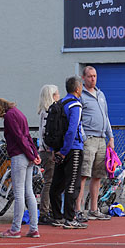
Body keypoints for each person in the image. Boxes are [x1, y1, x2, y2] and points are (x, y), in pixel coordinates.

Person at [0, 97, 40, 238]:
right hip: (28, 155)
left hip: (19, 156)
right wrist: (34, 154)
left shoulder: (9, 117)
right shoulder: (18, 112)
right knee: (29, 192)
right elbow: (26, 135)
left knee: (19, 193)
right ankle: (34, 228)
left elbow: (18, 137)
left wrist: (30, 154)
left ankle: (16, 228)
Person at [77, 66, 114, 221]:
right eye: (90, 76)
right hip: (89, 139)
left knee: (98, 176)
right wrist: (84, 137)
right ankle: (78, 210)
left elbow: (106, 116)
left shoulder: (100, 94)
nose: (93, 79)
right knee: (83, 175)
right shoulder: (81, 95)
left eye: (95, 76)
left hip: (101, 139)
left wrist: (110, 137)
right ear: (83, 78)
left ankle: (94, 209)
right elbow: (77, 119)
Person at [49, 76, 86, 228]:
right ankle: (70, 218)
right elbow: (72, 130)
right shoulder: (75, 105)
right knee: (73, 184)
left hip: (59, 149)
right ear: (77, 88)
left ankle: (57, 216)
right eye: (81, 86)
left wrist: (55, 150)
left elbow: (53, 129)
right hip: (73, 149)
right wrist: (65, 151)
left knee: (57, 183)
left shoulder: (60, 103)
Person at [36, 84, 59, 222]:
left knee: (51, 181)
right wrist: (51, 149)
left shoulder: (45, 112)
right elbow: (46, 133)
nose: (59, 96)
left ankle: (49, 209)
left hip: (47, 150)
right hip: (48, 151)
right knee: (49, 181)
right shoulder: (47, 113)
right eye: (56, 94)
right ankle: (45, 212)